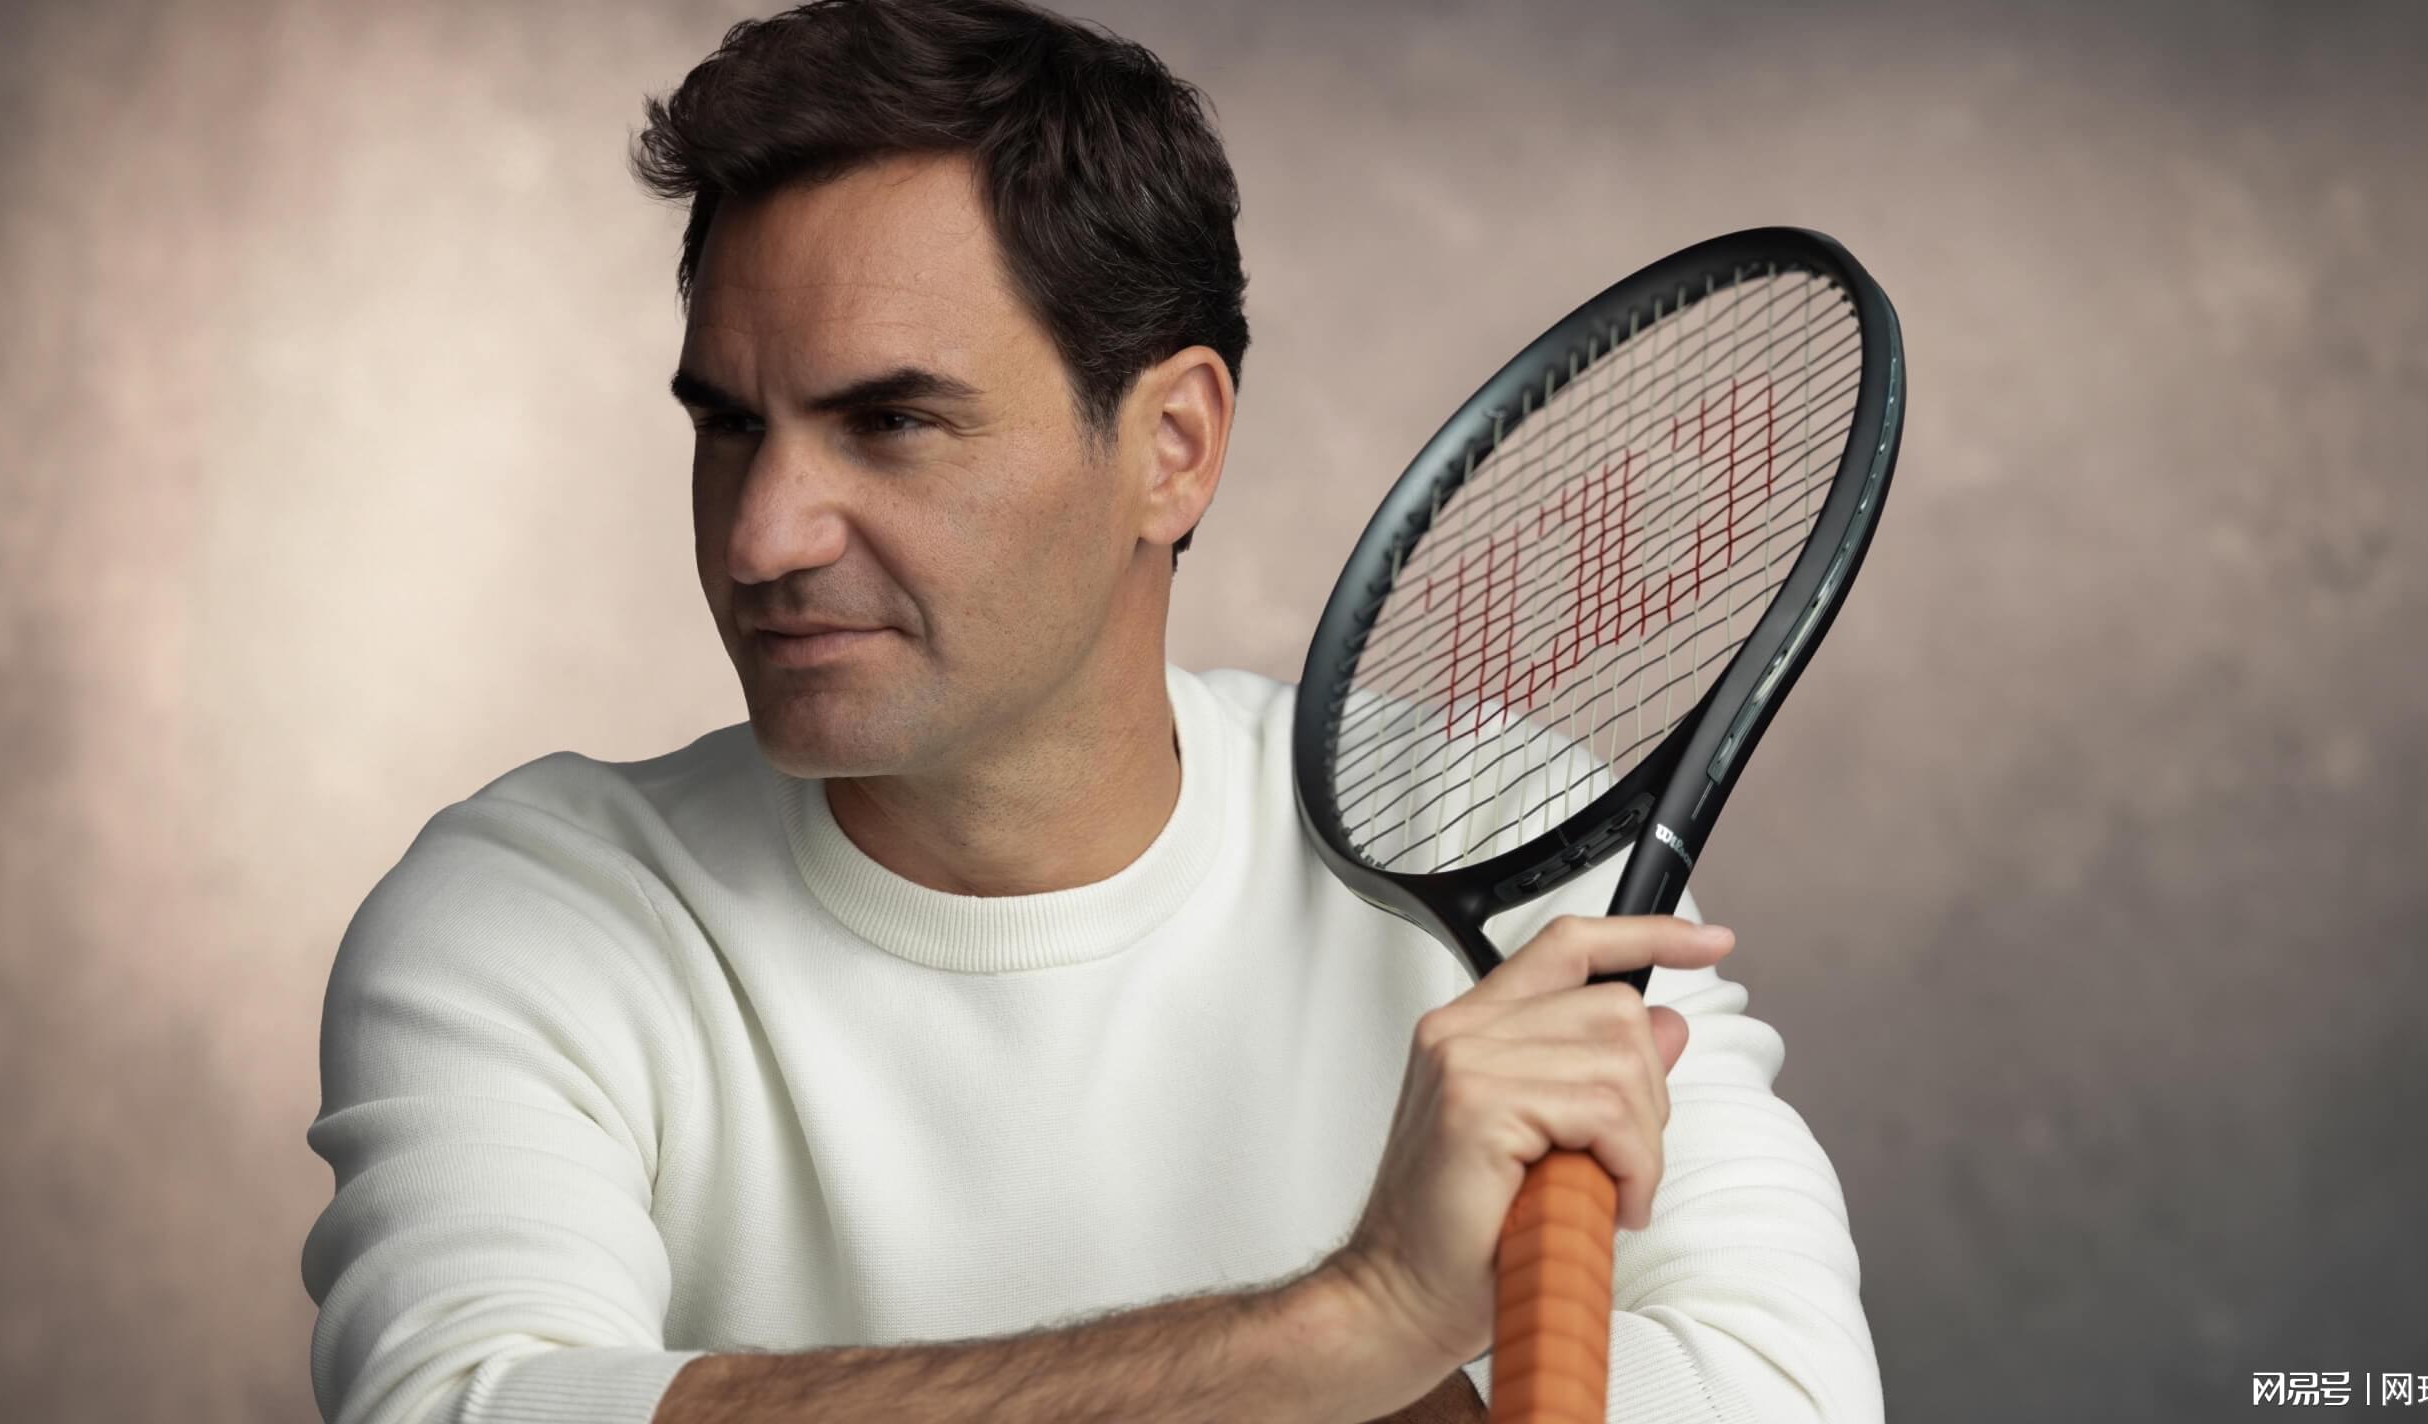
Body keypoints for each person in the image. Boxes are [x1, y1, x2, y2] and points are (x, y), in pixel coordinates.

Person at [298, 2, 1881, 1420]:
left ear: (1172, 447)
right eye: (729, 426)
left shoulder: (1496, 834)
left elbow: (1777, 1387)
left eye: (891, 421)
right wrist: (1353, 1327)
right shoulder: (544, 906)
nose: (763, 536)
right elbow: (475, 1406)